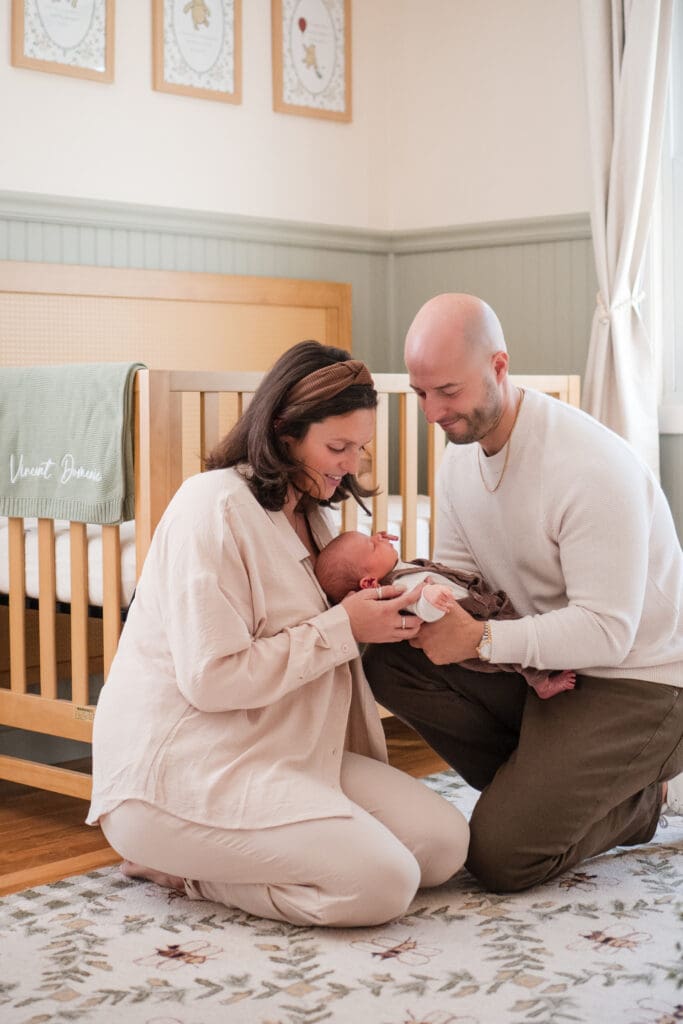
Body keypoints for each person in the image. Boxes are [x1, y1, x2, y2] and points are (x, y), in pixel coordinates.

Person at [86, 340, 469, 928]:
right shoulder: (211, 507)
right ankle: (177, 868)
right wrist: (344, 625)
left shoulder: (311, 515)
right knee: (382, 885)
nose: (351, 464)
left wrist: (394, 607)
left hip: (285, 749)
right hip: (186, 769)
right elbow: (212, 681)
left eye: (359, 448)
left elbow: (322, 634)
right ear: (285, 432)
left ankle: (257, 854)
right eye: (337, 447)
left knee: (444, 847)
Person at [363, 293, 683, 894]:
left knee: (500, 858)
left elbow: (608, 633)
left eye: (448, 392)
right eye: (420, 393)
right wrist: (409, 598)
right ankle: (552, 782)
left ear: (499, 367)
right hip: (549, 666)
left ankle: (649, 796)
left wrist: (480, 639)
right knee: (389, 659)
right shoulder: (461, 459)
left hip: (642, 679)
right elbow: (460, 582)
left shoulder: (589, 467)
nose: (433, 412)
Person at [315, 528, 576, 699]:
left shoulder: (397, 569)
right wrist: (431, 598)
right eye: (373, 547)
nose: (378, 539)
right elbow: (418, 604)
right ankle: (541, 682)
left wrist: (376, 543)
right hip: (467, 620)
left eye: (372, 536)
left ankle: (547, 660)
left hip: (477, 606)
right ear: (369, 584)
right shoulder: (396, 589)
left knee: (514, 630)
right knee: (509, 652)